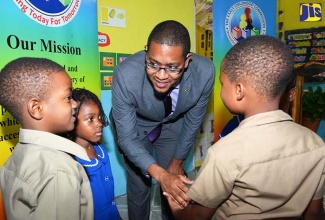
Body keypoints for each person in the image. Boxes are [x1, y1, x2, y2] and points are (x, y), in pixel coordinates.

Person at [164, 35, 325, 220]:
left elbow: (197, 216)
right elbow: (314, 213)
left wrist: (174, 202)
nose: (221, 90)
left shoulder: (225, 152)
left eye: (223, 84)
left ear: (239, 90)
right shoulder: (316, 144)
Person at [110, 20, 215, 220]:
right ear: (146, 51)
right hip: (136, 127)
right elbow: (127, 139)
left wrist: (177, 161)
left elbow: (194, 119)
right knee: (139, 186)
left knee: (173, 185)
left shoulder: (205, 72)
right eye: (153, 64)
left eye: (173, 67)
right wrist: (160, 174)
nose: (160, 75)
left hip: (173, 125)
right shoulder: (126, 75)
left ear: (187, 61)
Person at [0, 57, 94, 220]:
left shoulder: (15, 158)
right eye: (68, 97)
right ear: (36, 108)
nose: (74, 104)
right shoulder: (59, 170)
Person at [67, 88, 122, 220]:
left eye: (99, 117)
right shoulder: (72, 161)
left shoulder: (100, 149)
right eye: (90, 119)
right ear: (72, 120)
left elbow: (110, 199)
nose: (99, 123)